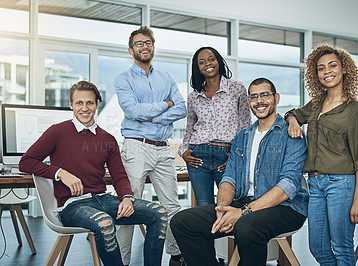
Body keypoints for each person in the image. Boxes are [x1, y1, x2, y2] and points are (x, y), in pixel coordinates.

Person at [18, 81, 167, 266]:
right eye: (79, 103)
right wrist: (60, 173)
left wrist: (127, 197)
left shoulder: (108, 139)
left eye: (90, 103)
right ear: (71, 105)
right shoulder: (57, 132)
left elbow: (119, 175)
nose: (84, 108)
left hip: (104, 199)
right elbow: (25, 162)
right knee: (104, 223)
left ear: (97, 104)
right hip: (72, 205)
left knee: (159, 213)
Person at [171, 77, 308, 266]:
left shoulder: (291, 134)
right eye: (253, 97)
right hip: (245, 204)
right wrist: (221, 209)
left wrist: (243, 212)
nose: (259, 101)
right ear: (249, 102)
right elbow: (229, 178)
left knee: (246, 226)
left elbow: (288, 186)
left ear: (276, 98)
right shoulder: (242, 136)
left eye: (265, 95)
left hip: (286, 208)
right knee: (182, 222)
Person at [285, 43, 358, 265]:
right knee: (318, 247)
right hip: (314, 185)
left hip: (341, 184)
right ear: (316, 74)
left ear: (344, 69)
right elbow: (292, 113)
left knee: (342, 247)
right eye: (321, 68)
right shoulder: (316, 104)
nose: (327, 72)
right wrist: (293, 122)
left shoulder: (355, 110)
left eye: (332, 66)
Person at [114, 26, 187, 266]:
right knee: (129, 206)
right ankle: (122, 262)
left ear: (153, 47)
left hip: (163, 148)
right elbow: (132, 111)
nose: (144, 47)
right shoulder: (123, 79)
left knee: (172, 205)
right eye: (139, 43)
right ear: (131, 49)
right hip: (137, 147)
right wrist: (165, 105)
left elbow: (181, 108)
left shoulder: (166, 77)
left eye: (148, 43)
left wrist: (152, 115)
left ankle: (176, 256)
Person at [178, 47, 251, 206]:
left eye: (211, 59)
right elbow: (190, 129)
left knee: (232, 206)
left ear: (218, 61)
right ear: (197, 68)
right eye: (202, 62)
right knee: (204, 209)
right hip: (198, 156)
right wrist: (183, 152)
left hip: (227, 154)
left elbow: (246, 126)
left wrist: (236, 156)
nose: (208, 64)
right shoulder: (193, 97)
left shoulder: (237, 88)